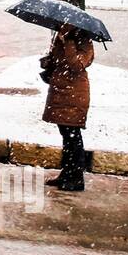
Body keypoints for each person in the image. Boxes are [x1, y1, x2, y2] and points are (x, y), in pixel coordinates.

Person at [41, 24, 96, 191]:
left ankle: (76, 177)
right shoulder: (61, 36)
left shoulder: (83, 40)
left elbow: (77, 65)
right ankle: (66, 174)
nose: (64, 26)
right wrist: (48, 60)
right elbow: (60, 61)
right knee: (66, 136)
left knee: (73, 137)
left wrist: (69, 42)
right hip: (60, 92)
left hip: (74, 94)